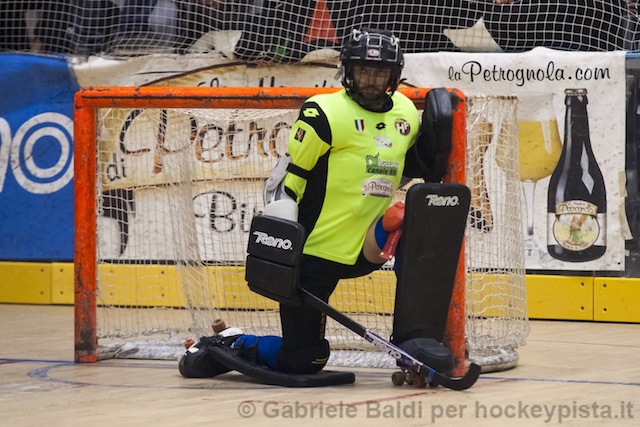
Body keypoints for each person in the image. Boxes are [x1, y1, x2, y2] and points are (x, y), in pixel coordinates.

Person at [179, 27, 454, 380]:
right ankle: (233, 343)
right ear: (348, 71)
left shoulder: (404, 111)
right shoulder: (322, 112)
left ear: (394, 75)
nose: (371, 80)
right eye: (363, 71)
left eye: (380, 72)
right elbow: (285, 181)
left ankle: (416, 338)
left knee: (414, 224)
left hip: (368, 243)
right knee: (304, 359)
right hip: (314, 253)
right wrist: (283, 253)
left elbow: (402, 170)